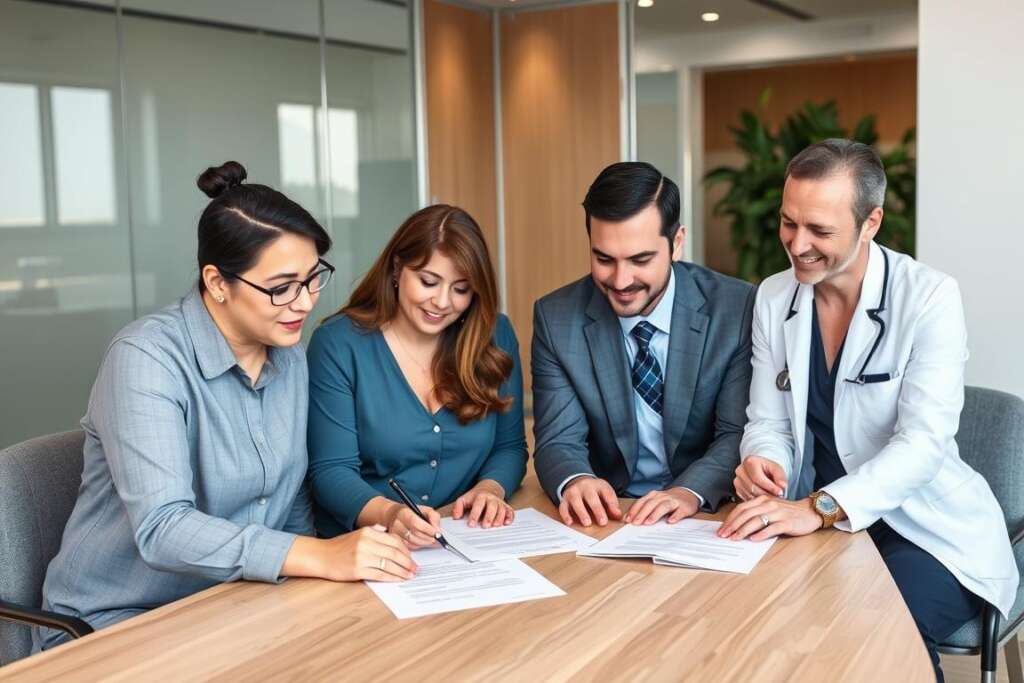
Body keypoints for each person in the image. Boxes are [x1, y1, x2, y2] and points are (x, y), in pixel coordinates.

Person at [34, 161, 416, 652]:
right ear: (217, 282)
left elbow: (290, 497)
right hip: (116, 622)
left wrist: (313, 576)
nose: (303, 302)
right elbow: (163, 528)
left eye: (312, 278)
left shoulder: (290, 356)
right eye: (281, 287)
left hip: (233, 605)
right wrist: (319, 557)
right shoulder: (146, 358)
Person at [719, 139, 1018, 681]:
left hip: (923, 531)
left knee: (867, 635)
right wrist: (767, 463)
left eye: (820, 231)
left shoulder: (928, 298)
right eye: (789, 223)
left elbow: (923, 445)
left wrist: (822, 506)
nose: (798, 245)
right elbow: (767, 419)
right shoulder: (772, 297)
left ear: (870, 222)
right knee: (752, 624)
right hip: (822, 524)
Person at [531, 161, 755, 528]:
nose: (621, 281)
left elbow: (735, 433)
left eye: (641, 259)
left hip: (705, 513)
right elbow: (558, 438)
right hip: (611, 515)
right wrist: (577, 480)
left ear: (677, 243)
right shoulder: (556, 318)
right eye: (604, 259)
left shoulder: (736, 308)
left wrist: (688, 492)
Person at [306, 205, 527, 546]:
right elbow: (330, 472)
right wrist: (391, 514)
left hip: (461, 542)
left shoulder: (494, 334)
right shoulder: (338, 345)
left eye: (461, 289)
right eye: (428, 281)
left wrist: (490, 489)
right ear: (397, 269)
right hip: (363, 548)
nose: (441, 302)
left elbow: (509, 447)